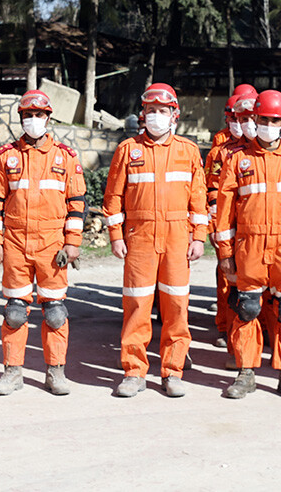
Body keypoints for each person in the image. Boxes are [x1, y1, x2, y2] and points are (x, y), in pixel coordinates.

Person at [214, 89, 281, 401]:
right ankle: (246, 373)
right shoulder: (238, 160)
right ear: (255, 119)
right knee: (246, 309)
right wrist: (224, 254)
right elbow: (224, 212)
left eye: (275, 120)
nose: (268, 124)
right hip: (250, 247)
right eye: (263, 119)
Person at [103, 82, 208, 398]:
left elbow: (198, 199)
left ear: (174, 115)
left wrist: (199, 237)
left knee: (176, 306)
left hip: (177, 238)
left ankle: (173, 371)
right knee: (137, 305)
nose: (157, 117)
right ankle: (134, 372)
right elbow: (113, 198)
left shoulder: (188, 151)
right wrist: (115, 236)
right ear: (142, 115)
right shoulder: (127, 150)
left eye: (163, 111)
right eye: (151, 111)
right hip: (139, 238)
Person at [0, 89, 86, 396]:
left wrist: (72, 243)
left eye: (38, 115)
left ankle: (55, 372)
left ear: (48, 118)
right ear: (21, 119)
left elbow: (77, 202)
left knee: (55, 311)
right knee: (15, 311)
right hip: (15, 243)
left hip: (53, 246)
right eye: (27, 116)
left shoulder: (65, 157)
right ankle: (12, 372)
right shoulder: (6, 157)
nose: (33, 121)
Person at [205, 86, 257, 356]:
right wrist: (217, 228)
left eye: (249, 118)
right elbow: (213, 191)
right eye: (238, 118)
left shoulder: (265, 150)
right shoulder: (222, 150)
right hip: (230, 226)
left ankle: (262, 332)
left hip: (257, 229)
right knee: (229, 280)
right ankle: (225, 327)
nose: (243, 124)